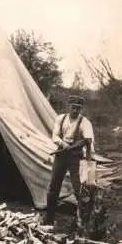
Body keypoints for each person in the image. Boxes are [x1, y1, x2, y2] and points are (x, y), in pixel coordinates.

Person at [45, 95, 95, 225]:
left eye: (78, 108)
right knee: (53, 187)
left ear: (81, 109)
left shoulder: (85, 122)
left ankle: (81, 221)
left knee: (79, 188)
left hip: (75, 157)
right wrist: (63, 144)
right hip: (61, 154)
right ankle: (49, 219)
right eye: (73, 107)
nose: (75, 111)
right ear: (69, 106)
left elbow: (88, 140)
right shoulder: (60, 119)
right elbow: (55, 136)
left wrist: (83, 151)